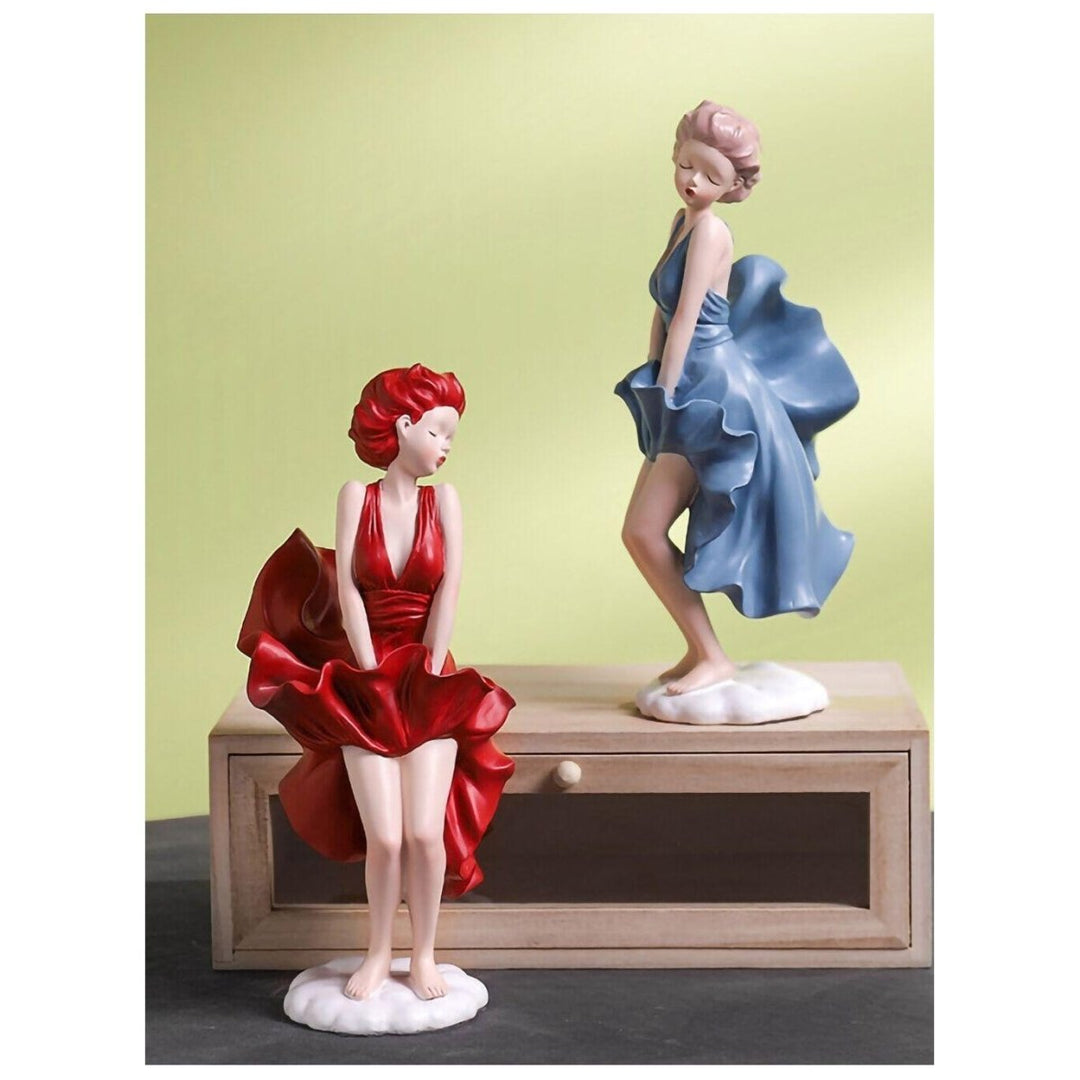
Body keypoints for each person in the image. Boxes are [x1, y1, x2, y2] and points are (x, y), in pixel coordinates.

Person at [238, 364, 515, 1002]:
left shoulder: (443, 501)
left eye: (452, 435)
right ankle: (378, 951)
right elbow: (348, 590)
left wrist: (428, 670)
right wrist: (370, 672)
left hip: (430, 679)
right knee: (384, 837)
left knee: (423, 833)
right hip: (366, 682)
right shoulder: (354, 498)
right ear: (404, 425)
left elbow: (448, 589)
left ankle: (424, 954)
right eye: (438, 431)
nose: (446, 446)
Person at [615, 101, 859, 696]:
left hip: (712, 393)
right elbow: (662, 309)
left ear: (731, 188)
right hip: (685, 381)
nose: (694, 181)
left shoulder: (712, 231)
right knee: (639, 531)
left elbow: (688, 318)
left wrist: (667, 394)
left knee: (643, 530)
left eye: (711, 176)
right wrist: (652, 373)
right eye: (687, 165)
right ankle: (702, 650)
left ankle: (711, 655)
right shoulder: (683, 221)